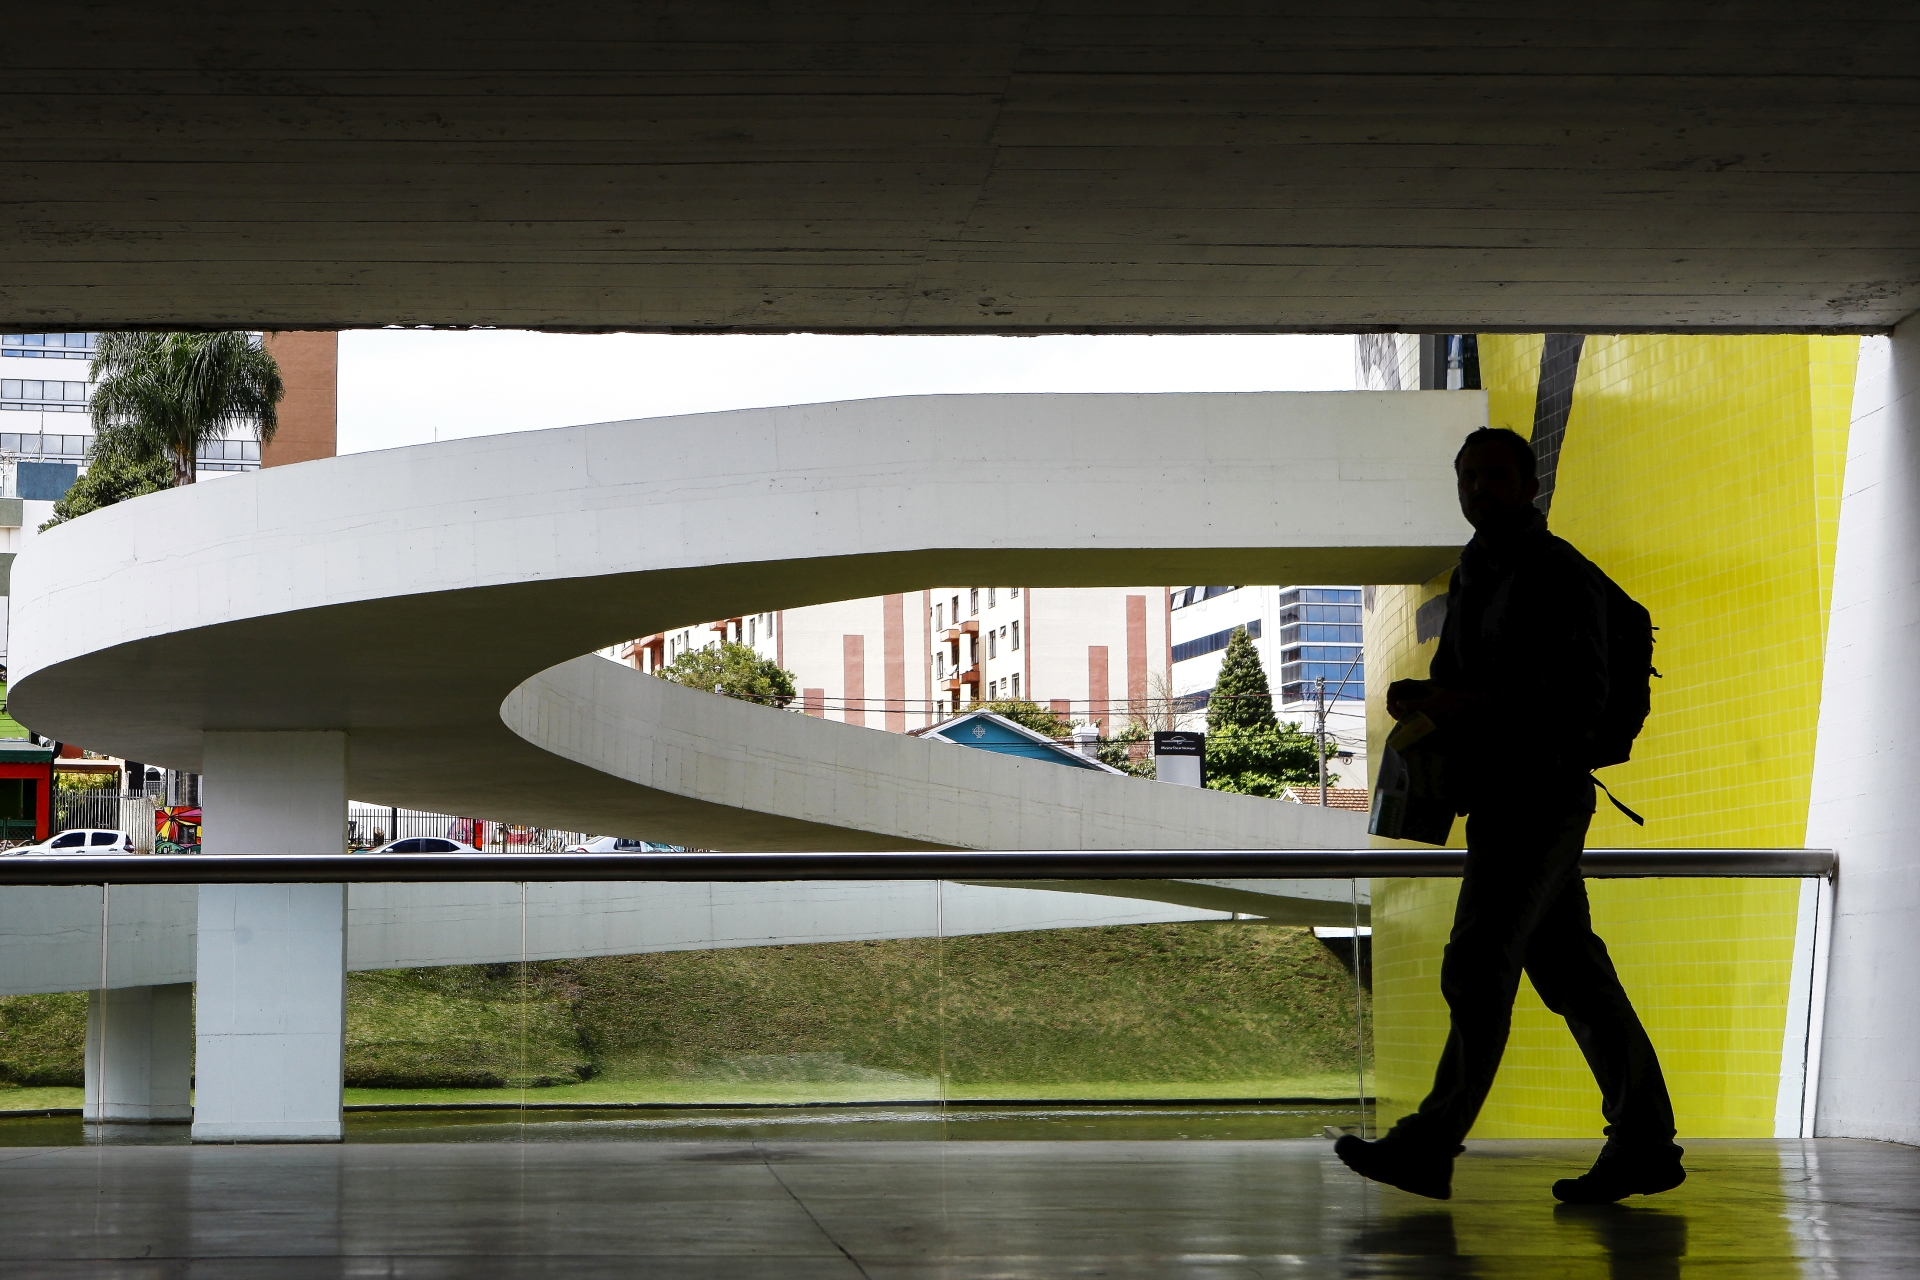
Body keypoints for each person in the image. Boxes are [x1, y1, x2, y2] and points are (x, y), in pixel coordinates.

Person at [1336, 427, 1684, 1204]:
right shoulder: (1475, 572)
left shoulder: (1556, 572)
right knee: (1572, 974)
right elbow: (1462, 679)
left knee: (1477, 960)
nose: (1478, 490)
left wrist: (1462, 703)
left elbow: (1581, 698)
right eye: (1467, 478)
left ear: (1529, 486)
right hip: (1501, 798)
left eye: (1494, 475)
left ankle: (1430, 1143)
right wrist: (1428, 698)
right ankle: (1644, 1144)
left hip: (1541, 796)